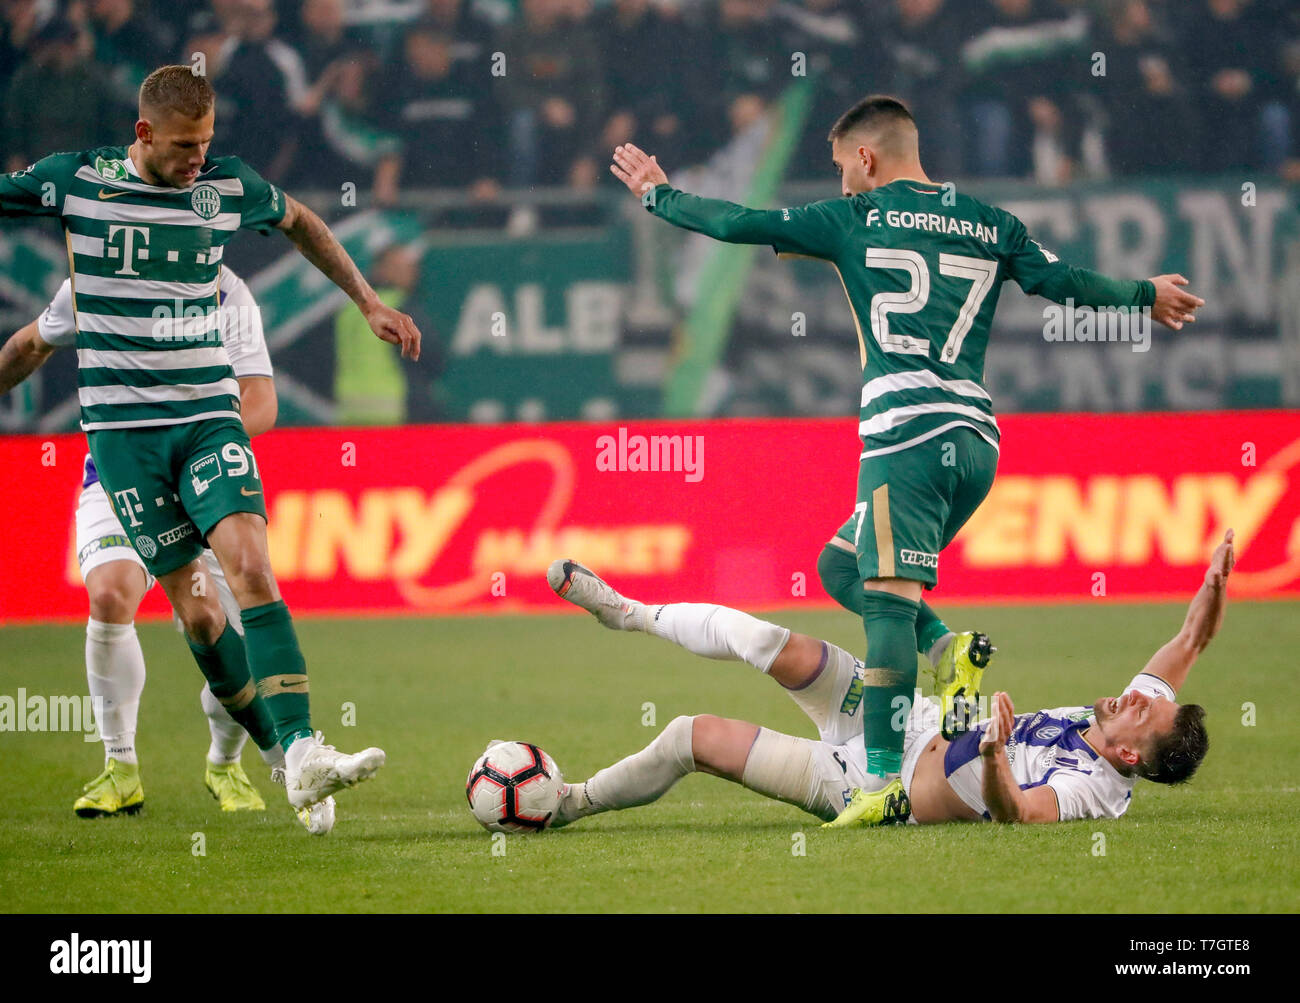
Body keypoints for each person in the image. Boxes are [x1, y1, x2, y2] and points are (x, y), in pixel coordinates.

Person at [609, 95, 1205, 825]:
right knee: (841, 567)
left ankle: (881, 783)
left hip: (909, 436)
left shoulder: (854, 218)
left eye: (840, 168)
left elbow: (740, 222)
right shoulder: (990, 221)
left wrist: (659, 194)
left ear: (866, 157)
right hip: (977, 445)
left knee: (886, 598)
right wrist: (1145, 294)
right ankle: (945, 645)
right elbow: (1062, 282)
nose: (840, 185)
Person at [0, 64, 421, 816]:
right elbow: (29, 344)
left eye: (207, 143)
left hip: (204, 419)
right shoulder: (75, 183)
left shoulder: (224, 188)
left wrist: (367, 301)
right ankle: (274, 759)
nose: (198, 159)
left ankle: (303, 747)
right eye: (185, 146)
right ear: (143, 133)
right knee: (197, 611)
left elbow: (302, 222)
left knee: (251, 563)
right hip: (124, 441)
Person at [544, 531, 1224, 827]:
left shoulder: (1092, 787)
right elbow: (1190, 639)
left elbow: (1020, 814)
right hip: (899, 717)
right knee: (763, 639)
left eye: (1144, 712)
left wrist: (992, 757)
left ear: (1131, 756)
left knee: (688, 736)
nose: (1139, 694)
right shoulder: (1127, 719)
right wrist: (1216, 580)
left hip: (870, 786)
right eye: (1147, 696)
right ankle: (630, 612)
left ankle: (569, 802)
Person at [4, 267, 333, 832]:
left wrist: (202, 449)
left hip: (204, 475)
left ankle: (227, 762)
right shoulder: (98, 279)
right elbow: (31, 342)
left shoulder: (225, 289)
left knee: (216, 629)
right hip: (119, 475)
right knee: (109, 595)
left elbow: (260, 399)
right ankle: (120, 766)